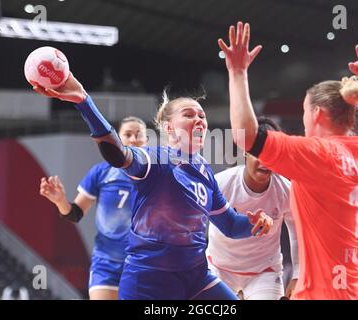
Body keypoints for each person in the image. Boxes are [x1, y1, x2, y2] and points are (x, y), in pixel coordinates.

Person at [31, 74, 273, 300]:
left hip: (196, 277)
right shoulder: (154, 160)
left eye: (202, 115)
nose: (199, 119)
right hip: (149, 280)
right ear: (168, 128)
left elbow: (230, 224)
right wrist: (84, 101)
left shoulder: (204, 171)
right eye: (189, 114)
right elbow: (117, 154)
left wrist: (256, 223)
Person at [219, 22, 358, 299]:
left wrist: (237, 72)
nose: (303, 119)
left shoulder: (317, 155)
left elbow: (249, 137)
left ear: (316, 113)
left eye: (304, 110)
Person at [40, 117, 147, 300]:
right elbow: (75, 214)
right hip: (106, 261)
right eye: (127, 134)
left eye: (139, 135)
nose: (133, 139)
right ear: (118, 140)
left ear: (146, 141)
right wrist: (60, 201)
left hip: (143, 262)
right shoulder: (101, 172)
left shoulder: (155, 175)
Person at [206, 116, 299, 300]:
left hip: (264, 272)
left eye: (271, 155)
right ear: (245, 152)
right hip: (219, 269)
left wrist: (297, 275)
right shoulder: (221, 183)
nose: (265, 162)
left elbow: (297, 235)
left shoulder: (286, 190)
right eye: (259, 154)